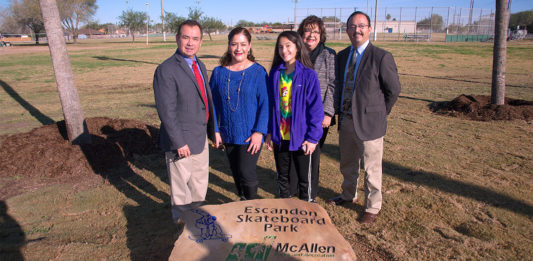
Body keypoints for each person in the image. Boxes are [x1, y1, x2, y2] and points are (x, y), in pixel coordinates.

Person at [327, 11, 401, 224]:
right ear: (347, 30)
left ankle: (372, 206)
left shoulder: (381, 57)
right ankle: (348, 195)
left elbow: (393, 90)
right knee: (348, 163)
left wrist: (379, 113)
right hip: (347, 121)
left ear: (369, 29)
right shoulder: (341, 57)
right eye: (352, 26)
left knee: (371, 168)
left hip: (370, 124)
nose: (356, 30)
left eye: (361, 26)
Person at [152, 20, 220, 225]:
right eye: (186, 37)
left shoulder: (200, 64)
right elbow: (167, 111)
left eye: (195, 38)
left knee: (199, 186)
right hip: (181, 143)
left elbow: (207, 101)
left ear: (200, 42)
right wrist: (179, 142)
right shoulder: (166, 69)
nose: (190, 43)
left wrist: (214, 129)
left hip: (200, 138)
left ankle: (197, 224)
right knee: (181, 190)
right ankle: (182, 229)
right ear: (177, 39)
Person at [209, 27, 269, 200]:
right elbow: (211, 103)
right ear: (228, 45)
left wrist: (259, 132)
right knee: (236, 172)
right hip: (228, 133)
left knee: (246, 172)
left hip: (250, 135)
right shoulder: (219, 72)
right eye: (234, 44)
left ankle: (252, 206)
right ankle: (242, 201)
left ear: (249, 46)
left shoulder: (258, 72)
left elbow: (265, 104)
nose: (238, 48)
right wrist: (216, 130)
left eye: (243, 44)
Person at [265, 31, 324, 202]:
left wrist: (313, 138)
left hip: (302, 138)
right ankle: (286, 208)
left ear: (297, 47)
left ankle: (308, 210)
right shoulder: (275, 73)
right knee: (283, 178)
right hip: (280, 137)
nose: (284, 51)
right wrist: (270, 132)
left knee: (305, 181)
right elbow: (271, 105)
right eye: (280, 47)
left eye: (288, 46)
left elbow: (316, 110)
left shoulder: (308, 74)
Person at [289, 15, 336, 199]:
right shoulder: (295, 53)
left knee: (311, 155)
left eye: (316, 31)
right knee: (293, 151)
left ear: (321, 35)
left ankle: (309, 194)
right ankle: (292, 191)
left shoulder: (329, 55)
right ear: (301, 33)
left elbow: (332, 85)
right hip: (294, 114)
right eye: (308, 30)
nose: (311, 34)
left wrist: (328, 112)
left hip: (318, 116)